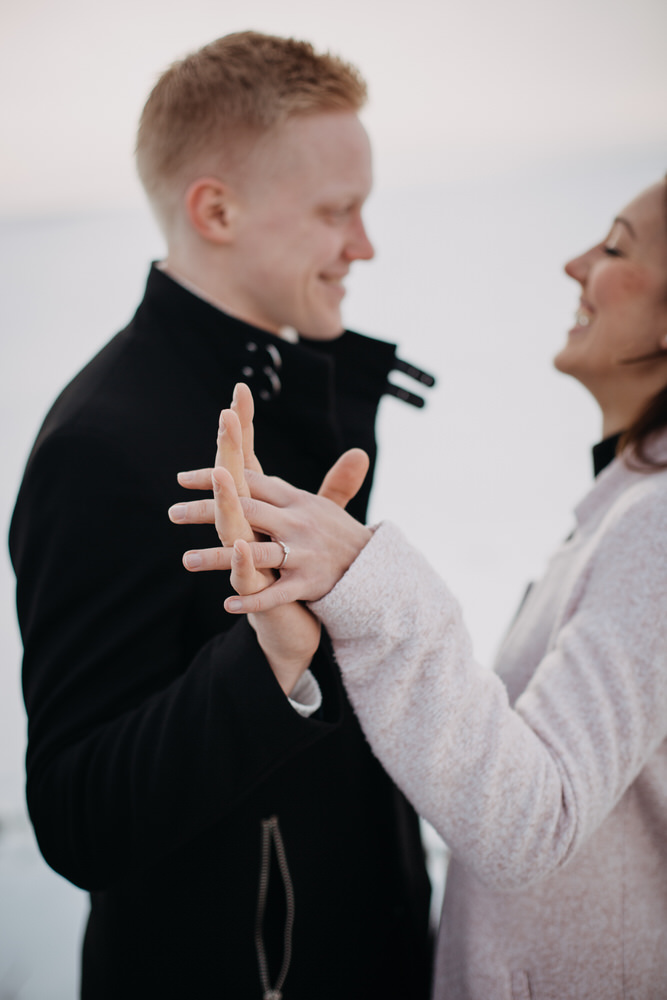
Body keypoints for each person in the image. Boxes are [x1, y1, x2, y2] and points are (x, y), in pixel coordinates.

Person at [9, 31, 435, 1000]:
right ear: (216, 208)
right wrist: (268, 657)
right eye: (337, 212)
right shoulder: (99, 444)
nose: (362, 245)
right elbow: (77, 815)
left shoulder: (295, 392)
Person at [177, 176, 667, 998]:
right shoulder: (626, 507)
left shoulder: (654, 524)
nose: (573, 263)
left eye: (614, 246)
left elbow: (531, 822)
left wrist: (365, 581)